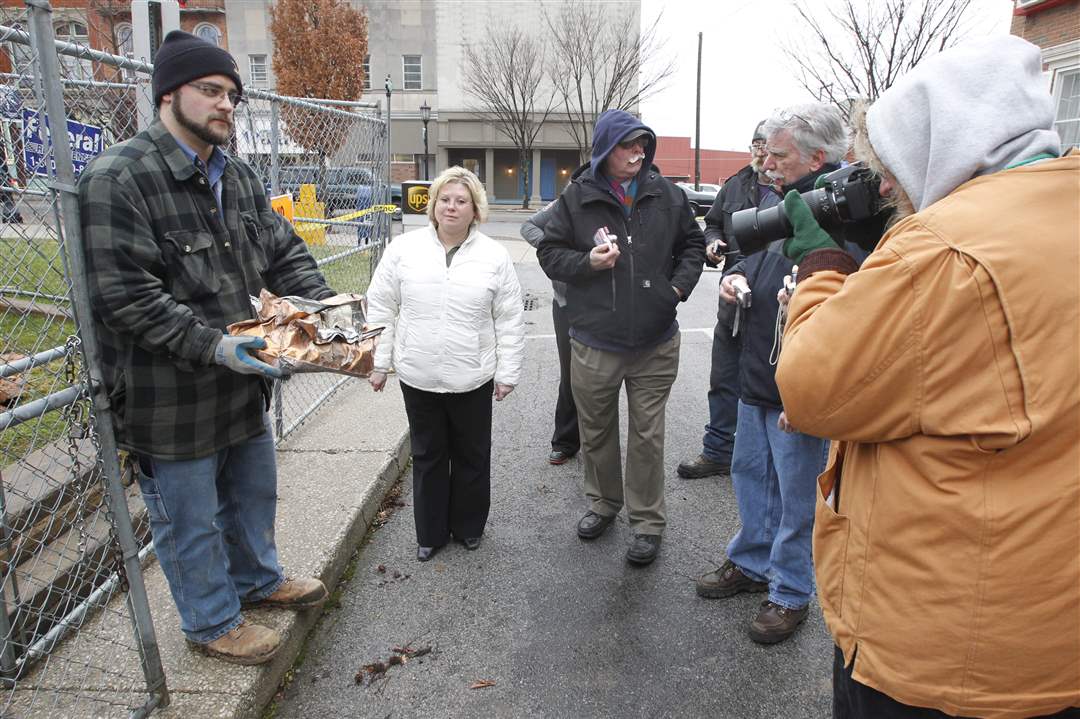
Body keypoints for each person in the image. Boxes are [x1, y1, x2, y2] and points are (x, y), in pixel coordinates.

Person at [775, 36, 1079, 717]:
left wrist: (823, 264)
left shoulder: (939, 251)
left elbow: (811, 387)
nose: (886, 186)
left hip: (939, 650)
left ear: (941, 138)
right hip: (1056, 637)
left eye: (892, 164)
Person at [79, 31, 332, 666]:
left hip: (241, 383)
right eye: (211, 91)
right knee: (189, 521)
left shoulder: (238, 175)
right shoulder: (120, 178)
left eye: (232, 96)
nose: (225, 105)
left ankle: (258, 582)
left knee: (251, 496)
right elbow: (126, 296)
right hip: (168, 398)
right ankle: (212, 622)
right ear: (169, 94)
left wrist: (323, 310)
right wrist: (216, 347)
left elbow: (283, 250)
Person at [694, 103, 849, 645]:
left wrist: (806, 394)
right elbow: (748, 257)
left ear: (817, 157)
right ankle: (752, 562)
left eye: (779, 155)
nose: (767, 162)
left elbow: (848, 312)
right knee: (751, 476)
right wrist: (733, 279)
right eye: (767, 152)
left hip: (798, 386)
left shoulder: (843, 213)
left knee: (796, 495)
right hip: (756, 368)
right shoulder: (775, 199)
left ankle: (789, 591)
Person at [537, 109, 705, 566]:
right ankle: (603, 503)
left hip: (655, 341)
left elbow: (693, 244)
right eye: (628, 145)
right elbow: (550, 253)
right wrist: (588, 262)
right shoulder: (576, 197)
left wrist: (677, 289)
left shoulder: (667, 194)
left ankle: (648, 522)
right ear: (606, 150)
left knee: (648, 436)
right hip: (594, 341)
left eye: (642, 145)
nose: (637, 153)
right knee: (596, 431)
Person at [366, 166, 524, 563]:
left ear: (476, 210)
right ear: (433, 206)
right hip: (418, 375)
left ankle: (469, 526)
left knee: (472, 456)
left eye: (461, 201)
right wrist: (379, 363)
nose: (451, 207)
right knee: (428, 455)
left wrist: (507, 373)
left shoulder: (494, 256)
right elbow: (382, 306)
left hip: (472, 376)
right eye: (445, 200)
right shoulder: (404, 250)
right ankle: (431, 532)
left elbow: (508, 318)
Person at [678, 121, 780, 480]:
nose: (760, 152)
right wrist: (712, 243)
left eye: (767, 145)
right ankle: (718, 450)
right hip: (732, 296)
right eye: (755, 144)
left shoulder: (790, 189)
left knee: (772, 384)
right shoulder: (736, 184)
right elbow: (714, 223)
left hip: (776, 302)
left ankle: (768, 462)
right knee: (723, 376)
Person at [521, 202, 579, 465]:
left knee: (607, 378)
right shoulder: (570, 197)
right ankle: (566, 441)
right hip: (568, 304)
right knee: (570, 374)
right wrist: (554, 248)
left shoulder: (625, 197)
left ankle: (601, 445)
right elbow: (529, 226)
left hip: (612, 307)